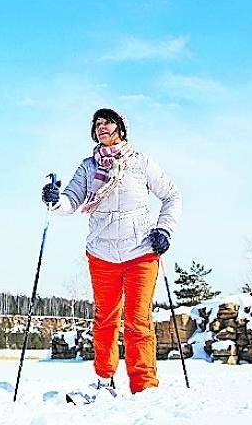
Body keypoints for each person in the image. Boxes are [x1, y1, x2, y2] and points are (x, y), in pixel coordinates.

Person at [41, 108, 181, 395]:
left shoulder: (140, 162)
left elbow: (172, 195)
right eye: (97, 123)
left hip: (141, 252)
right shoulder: (88, 167)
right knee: (105, 320)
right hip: (102, 253)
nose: (101, 126)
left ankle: (144, 387)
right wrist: (55, 201)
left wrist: (164, 229)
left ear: (121, 128)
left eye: (108, 122)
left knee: (138, 320)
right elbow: (71, 201)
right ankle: (104, 380)